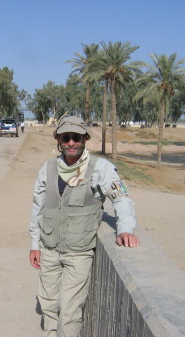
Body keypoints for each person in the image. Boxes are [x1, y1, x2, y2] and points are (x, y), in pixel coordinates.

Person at [29, 116, 139, 337]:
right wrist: (35, 244)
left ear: (85, 139)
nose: (71, 142)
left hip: (78, 254)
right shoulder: (48, 168)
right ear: (58, 140)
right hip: (49, 249)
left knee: (69, 312)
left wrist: (125, 229)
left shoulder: (101, 168)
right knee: (48, 304)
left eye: (76, 138)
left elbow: (121, 198)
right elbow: (37, 209)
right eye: (66, 137)